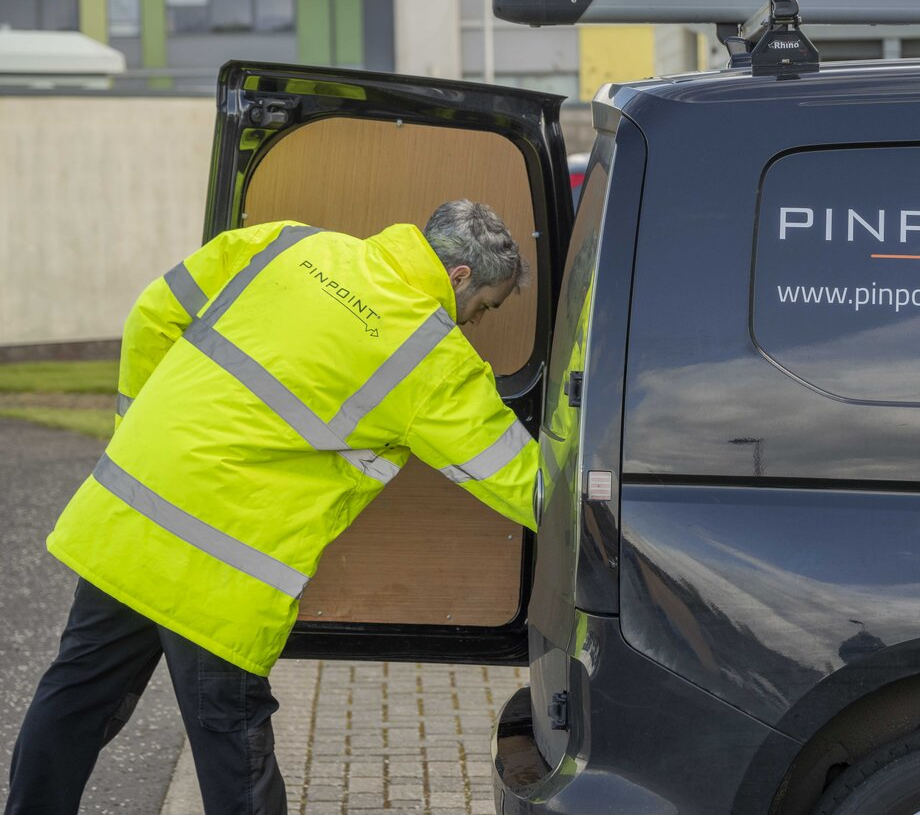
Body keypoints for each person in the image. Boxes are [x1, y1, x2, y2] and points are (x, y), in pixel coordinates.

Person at [6, 199, 539, 814]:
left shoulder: (288, 244)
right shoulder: (431, 355)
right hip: (217, 568)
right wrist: (604, 521)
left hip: (126, 518)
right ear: (459, 277)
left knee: (76, 696)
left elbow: (154, 312)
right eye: (483, 308)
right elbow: (517, 477)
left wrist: (133, 429)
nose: (473, 322)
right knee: (233, 744)